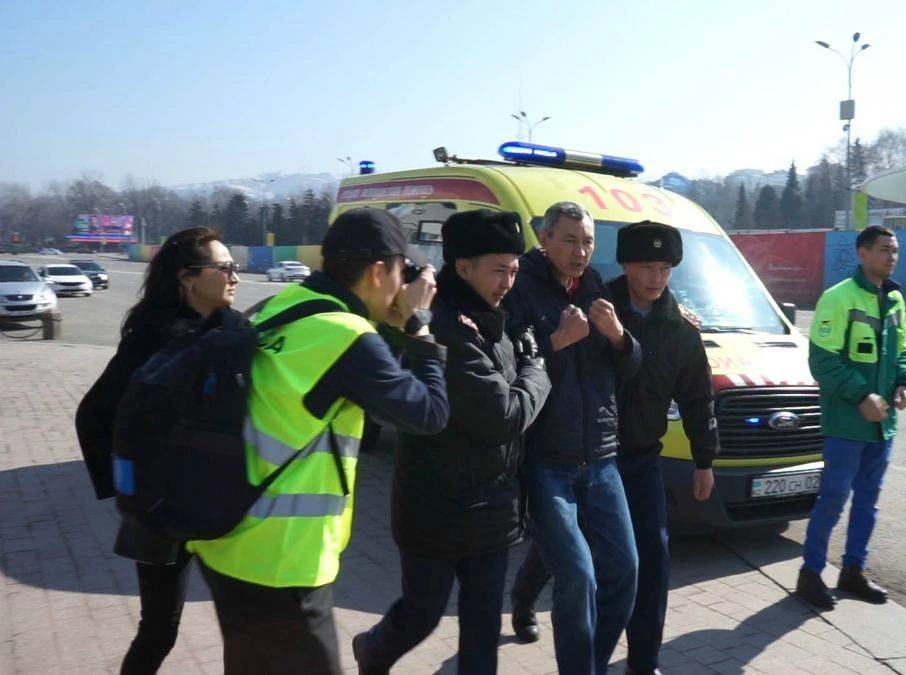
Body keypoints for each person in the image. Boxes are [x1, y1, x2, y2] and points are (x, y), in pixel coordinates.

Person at [187, 208, 450, 674]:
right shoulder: (347, 337)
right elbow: (429, 414)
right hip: (283, 561)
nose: (401, 286)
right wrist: (420, 327)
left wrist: (386, 324)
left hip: (225, 540)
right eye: (399, 273)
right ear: (377, 273)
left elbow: (345, 373)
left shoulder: (287, 304)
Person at [511, 220, 719, 673]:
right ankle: (523, 601)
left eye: (664, 268)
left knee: (649, 561)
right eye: (645, 267)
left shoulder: (679, 328)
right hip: (580, 452)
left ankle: (638, 661)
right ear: (625, 265)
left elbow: (697, 396)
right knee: (560, 555)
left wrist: (705, 458)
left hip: (637, 458)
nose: (655, 278)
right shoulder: (596, 301)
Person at [351, 209, 552, 674]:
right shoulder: (445, 327)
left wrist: (523, 363)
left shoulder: (490, 317)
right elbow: (505, 416)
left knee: (482, 626)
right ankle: (373, 651)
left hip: (492, 505)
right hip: (436, 508)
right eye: (499, 270)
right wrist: (538, 368)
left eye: (514, 271)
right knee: (422, 613)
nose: (508, 282)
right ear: (463, 267)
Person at [75, 227, 239, 674]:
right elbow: (95, 413)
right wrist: (130, 490)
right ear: (187, 277)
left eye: (234, 266)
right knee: (160, 630)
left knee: (246, 624)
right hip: (164, 511)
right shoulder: (156, 338)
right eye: (224, 267)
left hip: (220, 504)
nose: (235, 276)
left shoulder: (225, 329)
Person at [502, 201, 642, 675]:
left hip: (601, 457)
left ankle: (590, 662)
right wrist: (555, 343)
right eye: (569, 240)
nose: (580, 251)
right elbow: (508, 368)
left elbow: (631, 368)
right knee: (579, 575)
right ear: (544, 240)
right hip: (547, 461)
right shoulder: (519, 289)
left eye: (587, 242)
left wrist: (620, 336)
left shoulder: (597, 287)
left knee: (625, 570)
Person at [794, 225, 906, 610]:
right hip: (846, 424)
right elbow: (823, 361)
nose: (891, 257)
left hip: (882, 425)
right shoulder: (838, 297)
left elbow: (903, 351)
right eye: (883, 250)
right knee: (833, 498)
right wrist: (862, 395)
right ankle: (810, 574)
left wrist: (904, 384)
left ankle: (853, 571)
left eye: (894, 250)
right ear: (862, 253)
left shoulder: (895, 299)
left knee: (868, 502)